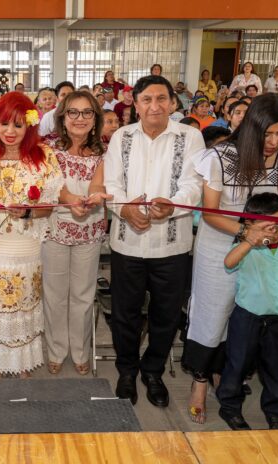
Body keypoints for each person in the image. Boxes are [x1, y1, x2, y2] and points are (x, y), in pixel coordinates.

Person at [184, 93, 278, 424]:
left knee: (249, 318)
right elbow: (211, 213)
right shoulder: (220, 156)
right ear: (250, 127)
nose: (273, 142)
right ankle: (200, 380)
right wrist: (247, 234)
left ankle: (227, 376)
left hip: (265, 251)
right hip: (221, 244)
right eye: (266, 134)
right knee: (214, 315)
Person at [104, 75, 205, 406]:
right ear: (135, 104)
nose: (154, 106)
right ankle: (127, 371)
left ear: (174, 103)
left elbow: (194, 185)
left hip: (171, 246)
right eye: (146, 99)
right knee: (125, 313)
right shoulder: (122, 137)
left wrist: (173, 206)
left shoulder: (190, 137)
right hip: (127, 242)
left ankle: (153, 371)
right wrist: (126, 209)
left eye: (162, 99)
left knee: (167, 315)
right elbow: (112, 185)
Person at [0, 92, 63, 378]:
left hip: (26, 245)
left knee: (24, 301)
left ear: (29, 126)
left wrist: (28, 212)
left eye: (18, 125)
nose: (10, 132)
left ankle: (20, 364)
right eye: (4, 124)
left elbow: (50, 205)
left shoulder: (44, 157)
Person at [217, 193, 278, 431]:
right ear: (249, 224)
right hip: (248, 316)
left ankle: (275, 410)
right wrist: (250, 241)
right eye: (267, 226)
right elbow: (229, 263)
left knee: (275, 366)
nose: (275, 231)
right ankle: (229, 407)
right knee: (237, 364)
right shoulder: (247, 247)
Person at [42, 91, 111, 376]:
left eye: (86, 113)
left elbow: (98, 184)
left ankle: (81, 351)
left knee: (83, 294)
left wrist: (93, 198)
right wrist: (70, 199)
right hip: (54, 228)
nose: (79, 118)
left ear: (95, 118)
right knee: (54, 294)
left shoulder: (105, 151)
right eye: (73, 112)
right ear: (62, 117)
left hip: (90, 227)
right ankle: (57, 349)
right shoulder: (48, 149)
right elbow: (49, 184)